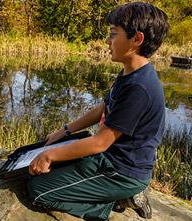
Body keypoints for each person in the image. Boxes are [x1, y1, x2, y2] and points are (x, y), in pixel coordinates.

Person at [27, 2, 169, 221]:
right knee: (42, 169)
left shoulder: (140, 87)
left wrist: (49, 155)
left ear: (136, 40)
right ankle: (120, 194)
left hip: (122, 172)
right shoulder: (129, 73)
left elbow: (100, 143)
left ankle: (112, 204)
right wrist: (65, 131)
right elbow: (104, 107)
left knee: (39, 190)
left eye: (113, 34)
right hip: (110, 159)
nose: (106, 41)